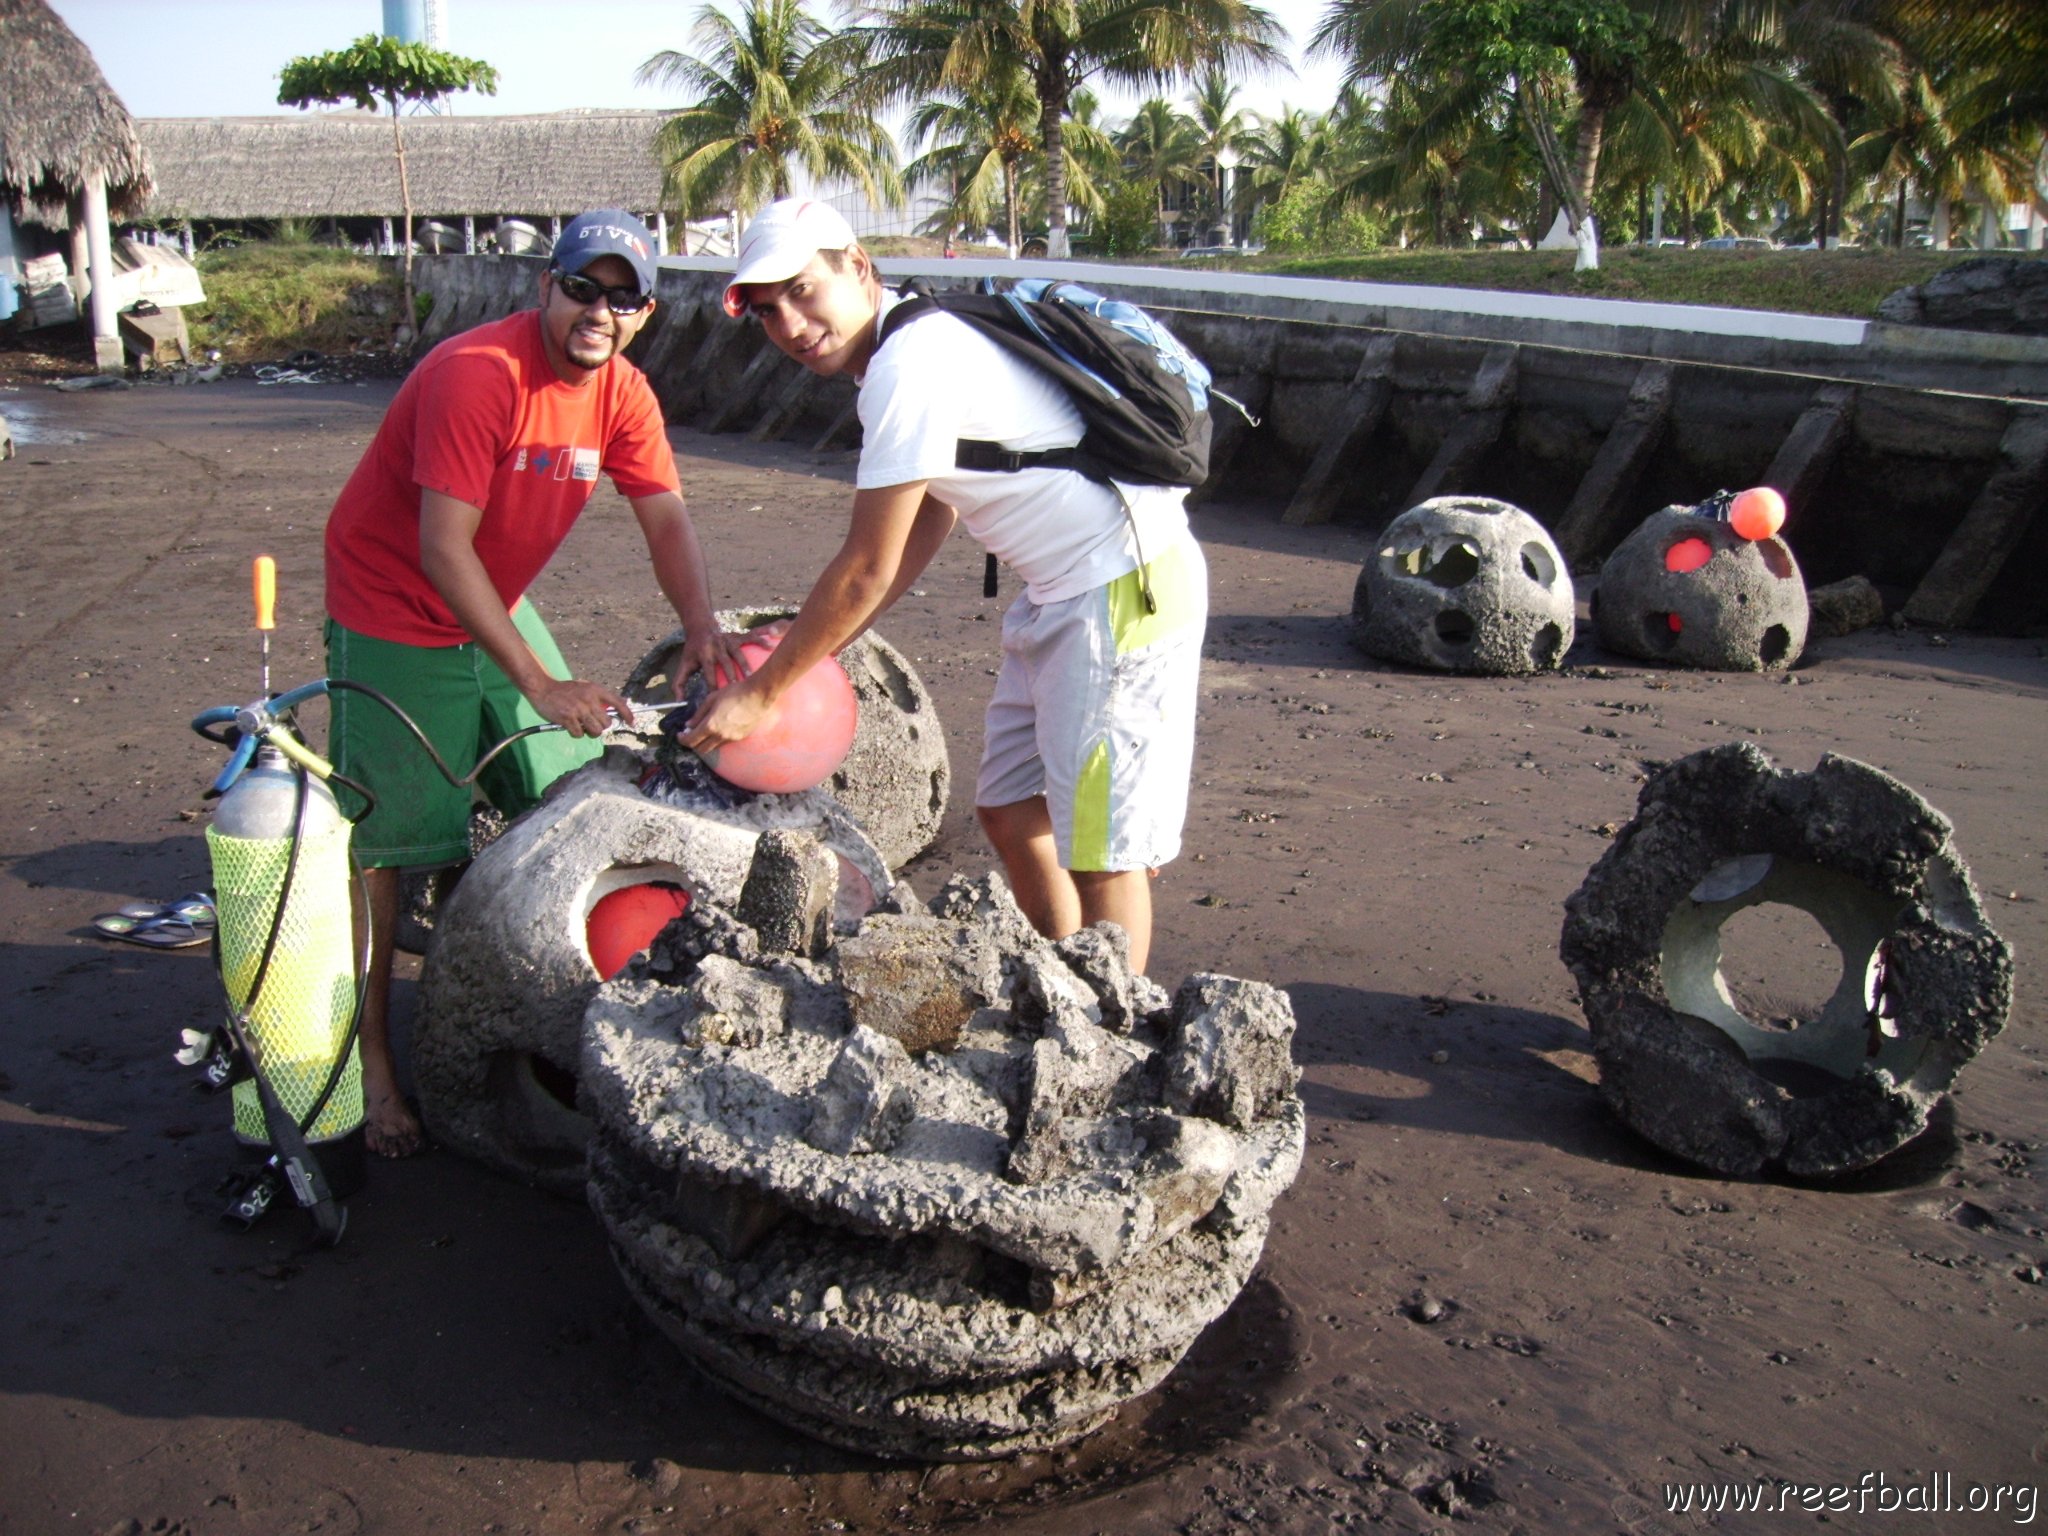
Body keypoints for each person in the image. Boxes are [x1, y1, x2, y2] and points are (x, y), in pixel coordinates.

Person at [679, 198, 1207, 977]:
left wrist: (766, 689)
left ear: (856, 266)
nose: (788, 323)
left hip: (1121, 588)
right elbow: (929, 514)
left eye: (801, 290)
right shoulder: (907, 346)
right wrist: (818, 642)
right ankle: (1063, 981)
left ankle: (1110, 1033)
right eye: (765, 311)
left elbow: (866, 565)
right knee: (1011, 810)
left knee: (1103, 854)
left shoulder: (909, 362)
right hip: (1058, 594)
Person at [323, 208, 739, 1157]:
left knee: (562, 784)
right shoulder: (482, 373)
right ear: (544, 288)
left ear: (643, 312)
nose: (601, 310)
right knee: (390, 845)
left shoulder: (624, 392)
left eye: (623, 296)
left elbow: (666, 517)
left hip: (492, 599)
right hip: (394, 600)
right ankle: (372, 1063)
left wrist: (701, 627)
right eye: (583, 289)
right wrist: (538, 678)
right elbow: (440, 547)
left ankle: (518, 975)